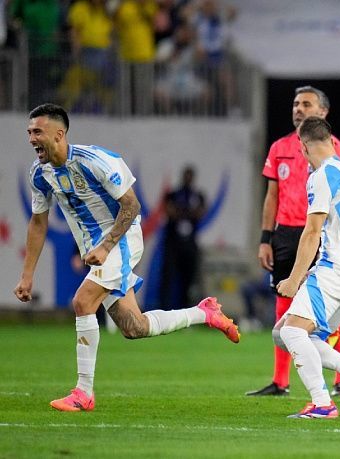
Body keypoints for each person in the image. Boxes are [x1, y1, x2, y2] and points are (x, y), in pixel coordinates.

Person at [14, 103, 239, 412]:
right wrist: (27, 275)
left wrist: (107, 246)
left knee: (82, 302)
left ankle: (83, 392)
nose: (31, 139)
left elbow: (131, 206)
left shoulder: (96, 161)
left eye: (37, 132)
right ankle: (205, 313)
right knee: (135, 327)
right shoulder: (40, 174)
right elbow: (38, 222)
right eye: (29, 132)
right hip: (97, 251)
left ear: (59, 133)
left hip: (121, 240)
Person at [247, 86, 340, 397]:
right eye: (295, 104)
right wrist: (266, 238)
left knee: (328, 309)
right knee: (283, 305)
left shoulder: (334, 149)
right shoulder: (279, 147)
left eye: (306, 104)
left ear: (323, 113)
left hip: (316, 233)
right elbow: (272, 196)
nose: (298, 109)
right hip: (285, 234)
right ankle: (281, 381)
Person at [273, 116, 340, 419]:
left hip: (336, 270)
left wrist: (292, 280)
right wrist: (310, 270)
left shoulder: (321, 175)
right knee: (289, 333)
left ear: (304, 146)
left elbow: (312, 231)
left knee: (291, 333)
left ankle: (321, 403)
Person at [160, 165, 206, 308]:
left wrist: (182, 211)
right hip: (173, 243)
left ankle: (185, 310)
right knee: (168, 277)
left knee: (188, 279)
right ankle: (165, 309)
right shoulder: (173, 195)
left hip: (189, 243)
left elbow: (200, 213)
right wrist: (187, 212)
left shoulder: (197, 196)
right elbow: (170, 212)